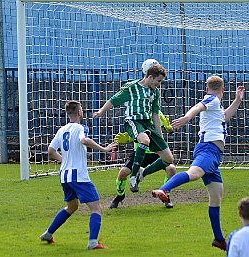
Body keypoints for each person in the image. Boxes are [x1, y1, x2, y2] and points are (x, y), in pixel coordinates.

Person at [152, 75, 244, 251]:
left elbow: (224, 117)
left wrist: (237, 101)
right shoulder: (212, 99)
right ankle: (164, 189)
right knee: (194, 173)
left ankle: (218, 239)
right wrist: (186, 118)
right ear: (222, 90)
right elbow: (197, 107)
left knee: (216, 195)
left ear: (207, 88)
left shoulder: (216, 104)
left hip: (213, 155)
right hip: (208, 150)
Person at [40, 100, 116, 250]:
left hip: (64, 176)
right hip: (79, 176)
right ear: (79, 112)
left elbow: (50, 150)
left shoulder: (61, 130)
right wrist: (105, 149)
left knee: (72, 206)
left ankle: (48, 234)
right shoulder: (81, 128)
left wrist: (64, 160)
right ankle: (93, 242)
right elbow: (84, 140)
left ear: (68, 114)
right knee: (96, 208)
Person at [93, 61, 175, 194]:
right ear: (150, 77)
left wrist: (159, 136)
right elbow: (114, 100)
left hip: (148, 124)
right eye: (158, 81)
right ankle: (133, 177)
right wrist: (101, 111)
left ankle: (142, 173)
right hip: (133, 121)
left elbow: (155, 115)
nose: (159, 84)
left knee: (168, 159)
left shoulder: (155, 92)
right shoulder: (131, 87)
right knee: (144, 140)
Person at [110, 111, 176, 209]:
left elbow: (167, 129)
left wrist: (169, 128)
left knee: (171, 169)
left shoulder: (157, 114)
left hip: (156, 152)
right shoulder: (136, 113)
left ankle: (166, 195)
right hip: (140, 152)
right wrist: (127, 139)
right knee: (123, 173)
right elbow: (134, 133)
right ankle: (120, 196)